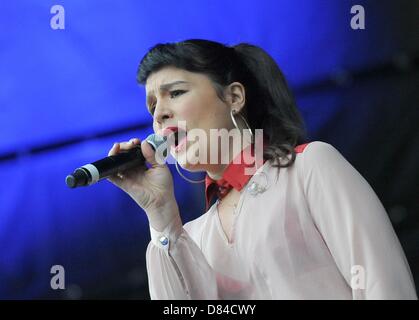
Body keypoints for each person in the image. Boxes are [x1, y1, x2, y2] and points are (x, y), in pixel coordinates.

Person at [107, 39, 417, 299]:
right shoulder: (192, 236)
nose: (159, 114)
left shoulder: (310, 167)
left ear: (234, 96)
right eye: (152, 107)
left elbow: (384, 285)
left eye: (175, 93)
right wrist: (160, 215)